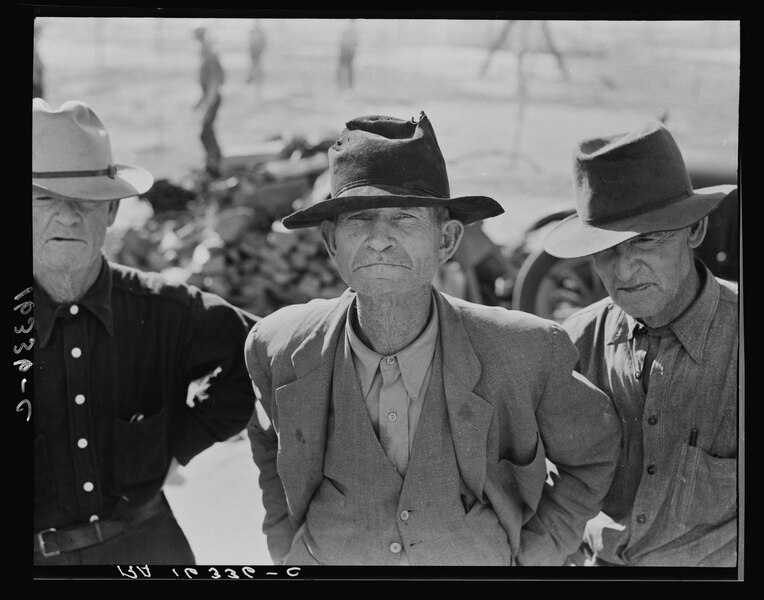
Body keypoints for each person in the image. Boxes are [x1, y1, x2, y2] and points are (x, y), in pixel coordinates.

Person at [244, 111, 622, 566]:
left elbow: (595, 453)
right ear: (331, 242)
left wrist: (534, 555)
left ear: (446, 240)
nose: (379, 239)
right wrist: (285, 546)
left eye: (404, 218)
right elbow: (269, 444)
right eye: (359, 219)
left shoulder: (524, 351)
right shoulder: (279, 346)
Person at [32, 98, 257, 565]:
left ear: (112, 211)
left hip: (149, 553)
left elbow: (261, 354)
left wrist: (179, 440)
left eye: (87, 201)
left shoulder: (165, 310)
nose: (69, 216)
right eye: (45, 198)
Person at [543, 120, 740, 567]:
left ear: (695, 231)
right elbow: (553, 487)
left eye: (647, 240)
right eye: (607, 249)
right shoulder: (574, 343)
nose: (625, 270)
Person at [193, 26, 225, 177]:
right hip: (211, 98)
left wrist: (208, 106)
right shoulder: (207, 57)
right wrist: (200, 103)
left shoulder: (210, 58)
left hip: (213, 99)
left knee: (205, 133)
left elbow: (214, 84)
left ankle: (214, 163)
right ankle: (213, 162)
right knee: (207, 132)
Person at [337, 20, 358, 93]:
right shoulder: (347, 31)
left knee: (348, 71)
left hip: (348, 53)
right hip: (346, 53)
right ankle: (343, 86)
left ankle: (348, 87)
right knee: (343, 70)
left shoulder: (351, 31)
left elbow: (354, 44)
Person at [246, 20, 267, 94]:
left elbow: (263, 43)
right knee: (254, 65)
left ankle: (254, 79)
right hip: (254, 51)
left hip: (257, 51)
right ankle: (253, 79)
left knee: (256, 65)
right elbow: (250, 43)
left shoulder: (258, 32)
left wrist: (261, 49)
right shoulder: (254, 32)